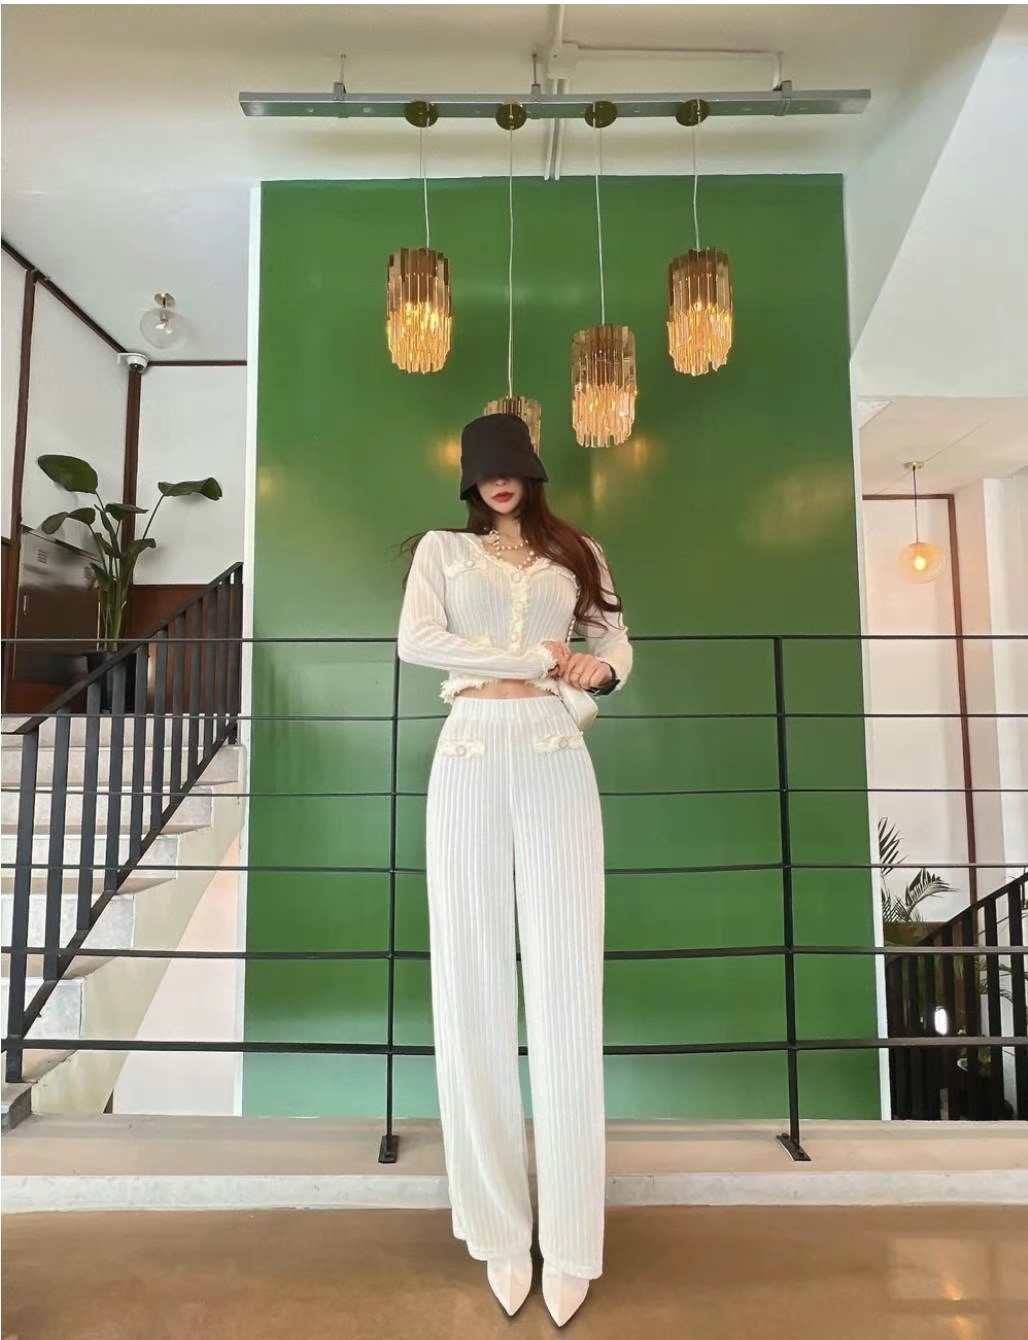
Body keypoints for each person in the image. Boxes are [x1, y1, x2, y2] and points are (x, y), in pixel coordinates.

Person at [396, 412, 633, 1326]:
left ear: (532, 471)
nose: (498, 482)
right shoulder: (443, 553)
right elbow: (417, 641)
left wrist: (599, 674)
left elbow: (615, 641)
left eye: (512, 467)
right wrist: (531, 657)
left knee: (569, 989)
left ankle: (571, 1238)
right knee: (471, 983)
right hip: (467, 750)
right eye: (483, 470)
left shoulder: (578, 552)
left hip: (552, 748)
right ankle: (499, 1228)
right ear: (469, 479)